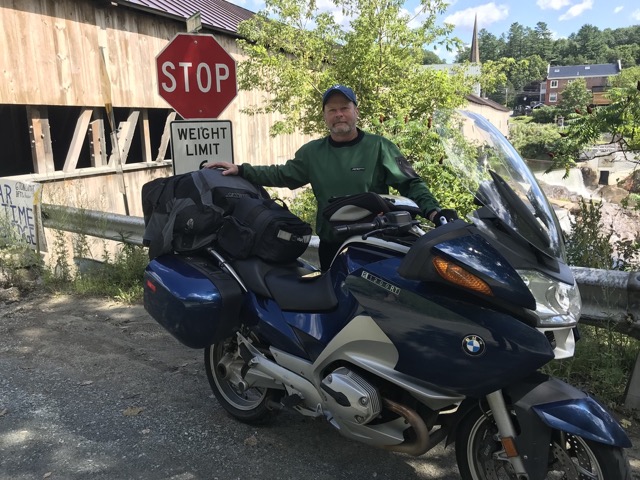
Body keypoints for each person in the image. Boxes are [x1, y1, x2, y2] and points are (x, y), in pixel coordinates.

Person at [206, 84, 457, 270]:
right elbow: (283, 174)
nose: (339, 115)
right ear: (325, 116)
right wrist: (242, 169)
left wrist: (433, 212)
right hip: (332, 244)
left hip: (374, 243)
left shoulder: (380, 147)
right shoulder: (313, 152)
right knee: (334, 310)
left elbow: (410, 182)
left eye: (344, 108)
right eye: (332, 110)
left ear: (356, 112)